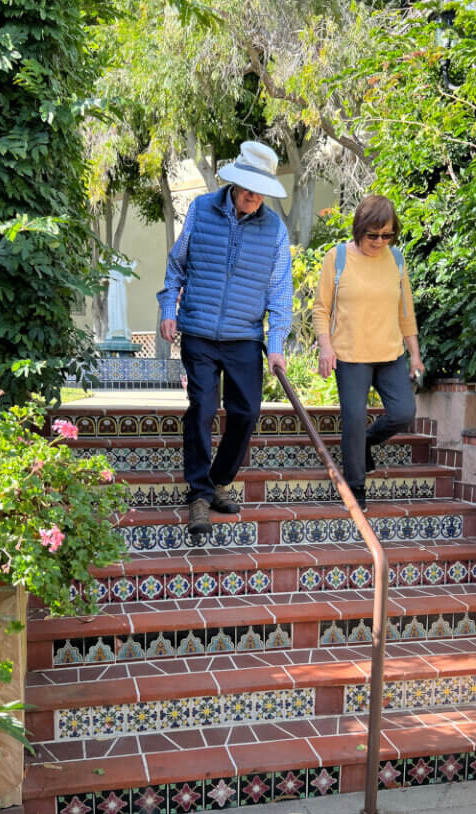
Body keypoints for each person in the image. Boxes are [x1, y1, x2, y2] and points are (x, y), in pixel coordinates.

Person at [157, 140, 291, 536]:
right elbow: (177, 265)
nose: (252, 196)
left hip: (244, 337)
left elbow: (280, 292)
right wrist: (169, 310)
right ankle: (199, 494)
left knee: (247, 411)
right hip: (198, 328)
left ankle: (218, 479)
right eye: (247, 187)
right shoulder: (201, 210)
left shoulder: (275, 230)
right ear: (233, 182)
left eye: (258, 189)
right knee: (201, 406)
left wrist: (278, 344)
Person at [313, 194, 425, 510]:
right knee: (353, 418)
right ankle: (356, 486)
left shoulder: (397, 260)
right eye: (372, 234)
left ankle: (362, 444)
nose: (379, 241)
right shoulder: (337, 258)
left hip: (390, 354)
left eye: (386, 235)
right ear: (359, 228)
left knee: (404, 413)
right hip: (349, 355)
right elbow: (321, 309)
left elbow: (406, 312)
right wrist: (325, 347)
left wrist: (415, 355)